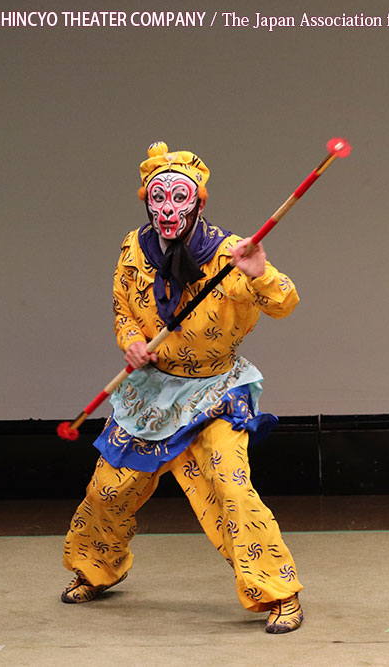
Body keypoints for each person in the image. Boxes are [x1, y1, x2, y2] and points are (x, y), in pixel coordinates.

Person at [61, 142, 304, 634]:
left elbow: (284, 303)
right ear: (146, 201)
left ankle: (280, 593)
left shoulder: (229, 254)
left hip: (213, 393)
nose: (168, 208)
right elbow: (123, 310)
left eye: (180, 198)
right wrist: (132, 343)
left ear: (198, 202)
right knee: (108, 489)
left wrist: (262, 273)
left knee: (230, 487)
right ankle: (95, 569)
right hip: (151, 395)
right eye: (158, 198)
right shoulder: (134, 249)